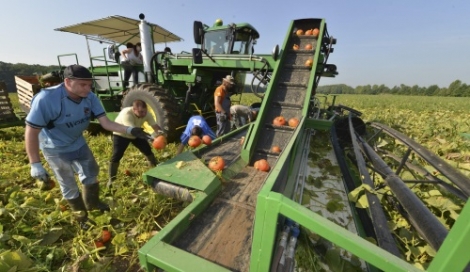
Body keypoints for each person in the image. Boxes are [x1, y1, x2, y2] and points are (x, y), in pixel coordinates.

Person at [25, 64, 150, 230]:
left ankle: (92, 203)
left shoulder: (89, 97)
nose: (87, 89)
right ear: (68, 82)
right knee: (68, 182)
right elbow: (31, 131)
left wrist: (130, 129)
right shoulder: (47, 99)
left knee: (91, 171)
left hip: (78, 141)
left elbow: (106, 123)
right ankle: (81, 217)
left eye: (89, 85)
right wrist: (35, 164)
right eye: (83, 85)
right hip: (55, 147)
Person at [108, 99, 163, 188]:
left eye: (145, 111)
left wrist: (160, 134)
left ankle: (154, 168)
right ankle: (112, 179)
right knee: (117, 155)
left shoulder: (146, 114)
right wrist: (150, 138)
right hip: (121, 134)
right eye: (141, 112)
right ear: (134, 110)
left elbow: (155, 126)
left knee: (147, 150)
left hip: (136, 133)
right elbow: (132, 130)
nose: (143, 114)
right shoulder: (126, 114)